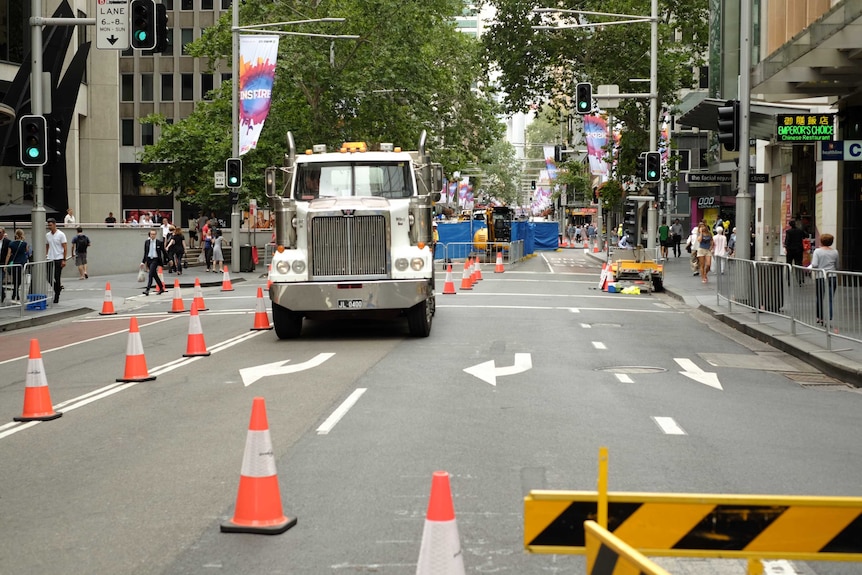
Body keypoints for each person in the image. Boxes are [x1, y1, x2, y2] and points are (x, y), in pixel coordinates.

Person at [809, 233, 839, 327]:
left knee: (820, 297)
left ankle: (820, 317)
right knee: (830, 298)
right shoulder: (835, 252)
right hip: (832, 276)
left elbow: (814, 264)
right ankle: (829, 317)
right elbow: (837, 265)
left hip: (821, 276)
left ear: (821, 241)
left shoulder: (817, 251)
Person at [5, 229, 30, 303]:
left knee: (15, 280)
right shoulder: (24, 243)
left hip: (15, 263)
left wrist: (6, 265)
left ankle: (15, 296)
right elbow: (27, 252)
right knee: (18, 281)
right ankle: (15, 296)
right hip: (22, 263)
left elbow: (8, 255)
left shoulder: (11, 244)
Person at [46, 218, 67, 304]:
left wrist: (64, 259)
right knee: (48, 276)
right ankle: (57, 288)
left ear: (55, 224)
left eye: (51, 225)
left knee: (57, 276)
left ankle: (57, 295)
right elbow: (47, 245)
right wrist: (46, 254)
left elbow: (65, 247)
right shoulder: (47, 235)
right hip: (50, 257)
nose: (49, 227)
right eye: (48, 225)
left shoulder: (61, 234)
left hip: (59, 258)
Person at [141, 229, 167, 296]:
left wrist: (169, 259)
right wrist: (143, 262)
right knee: (154, 275)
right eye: (151, 234)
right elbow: (145, 253)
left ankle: (147, 289)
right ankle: (161, 288)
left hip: (155, 260)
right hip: (149, 259)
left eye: (154, 234)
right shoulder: (147, 242)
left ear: (155, 235)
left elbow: (163, 251)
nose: (152, 235)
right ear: (149, 235)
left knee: (150, 274)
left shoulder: (159, 242)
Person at [784, 219, 805, 285]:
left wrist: (786, 247)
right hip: (799, 249)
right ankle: (800, 279)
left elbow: (787, 241)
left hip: (790, 250)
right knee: (799, 264)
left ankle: (789, 280)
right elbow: (805, 236)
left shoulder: (788, 232)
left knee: (789, 264)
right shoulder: (800, 231)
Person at [0, 227, 9, 303]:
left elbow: (8, 254)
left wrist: (6, 265)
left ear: (3, 233)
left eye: (0, 232)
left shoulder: (7, 242)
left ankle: (2, 294)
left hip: (2, 264)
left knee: (0, 280)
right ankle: (2, 293)